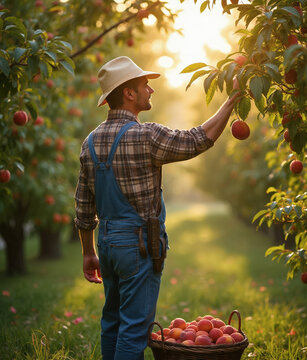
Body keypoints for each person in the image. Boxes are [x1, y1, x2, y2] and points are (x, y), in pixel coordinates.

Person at [74, 56, 238, 360]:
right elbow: (197, 140)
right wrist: (232, 100)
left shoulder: (90, 142)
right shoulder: (145, 135)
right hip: (137, 245)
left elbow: (83, 206)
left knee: (112, 322)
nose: (151, 90)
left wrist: (88, 252)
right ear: (129, 93)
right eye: (144, 85)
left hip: (108, 244)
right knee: (135, 329)